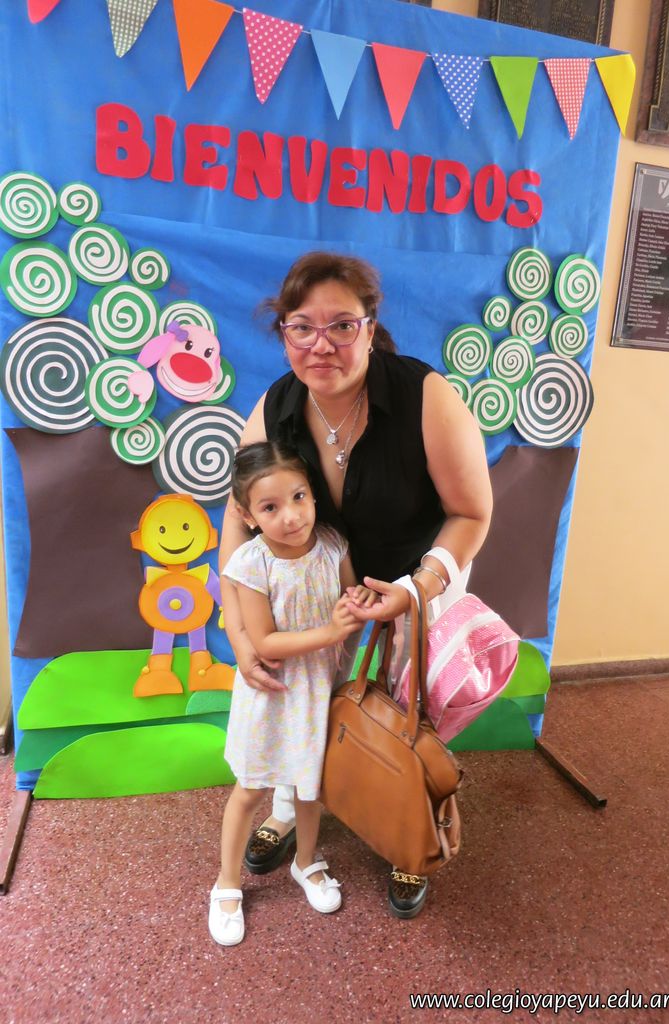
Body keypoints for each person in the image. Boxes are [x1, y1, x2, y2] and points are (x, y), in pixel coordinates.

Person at [219, 251, 492, 919]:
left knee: (407, 715)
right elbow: (237, 519)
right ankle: (290, 806)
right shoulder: (277, 405)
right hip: (320, 593)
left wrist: (418, 588)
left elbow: (471, 513)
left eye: (342, 325)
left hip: (419, 580)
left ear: (370, 328)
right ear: (283, 332)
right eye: (302, 327)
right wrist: (238, 631)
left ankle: (409, 834)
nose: (322, 345)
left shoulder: (426, 397)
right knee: (304, 697)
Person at [209, 440, 374, 946]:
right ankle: (226, 883)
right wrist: (331, 631)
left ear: (313, 494)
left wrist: (356, 601)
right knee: (250, 789)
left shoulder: (333, 545)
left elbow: (349, 594)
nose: (291, 516)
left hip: (319, 690)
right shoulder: (251, 563)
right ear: (247, 516)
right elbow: (263, 642)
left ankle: (306, 860)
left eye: (299, 497)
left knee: (308, 786)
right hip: (273, 694)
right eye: (270, 507)